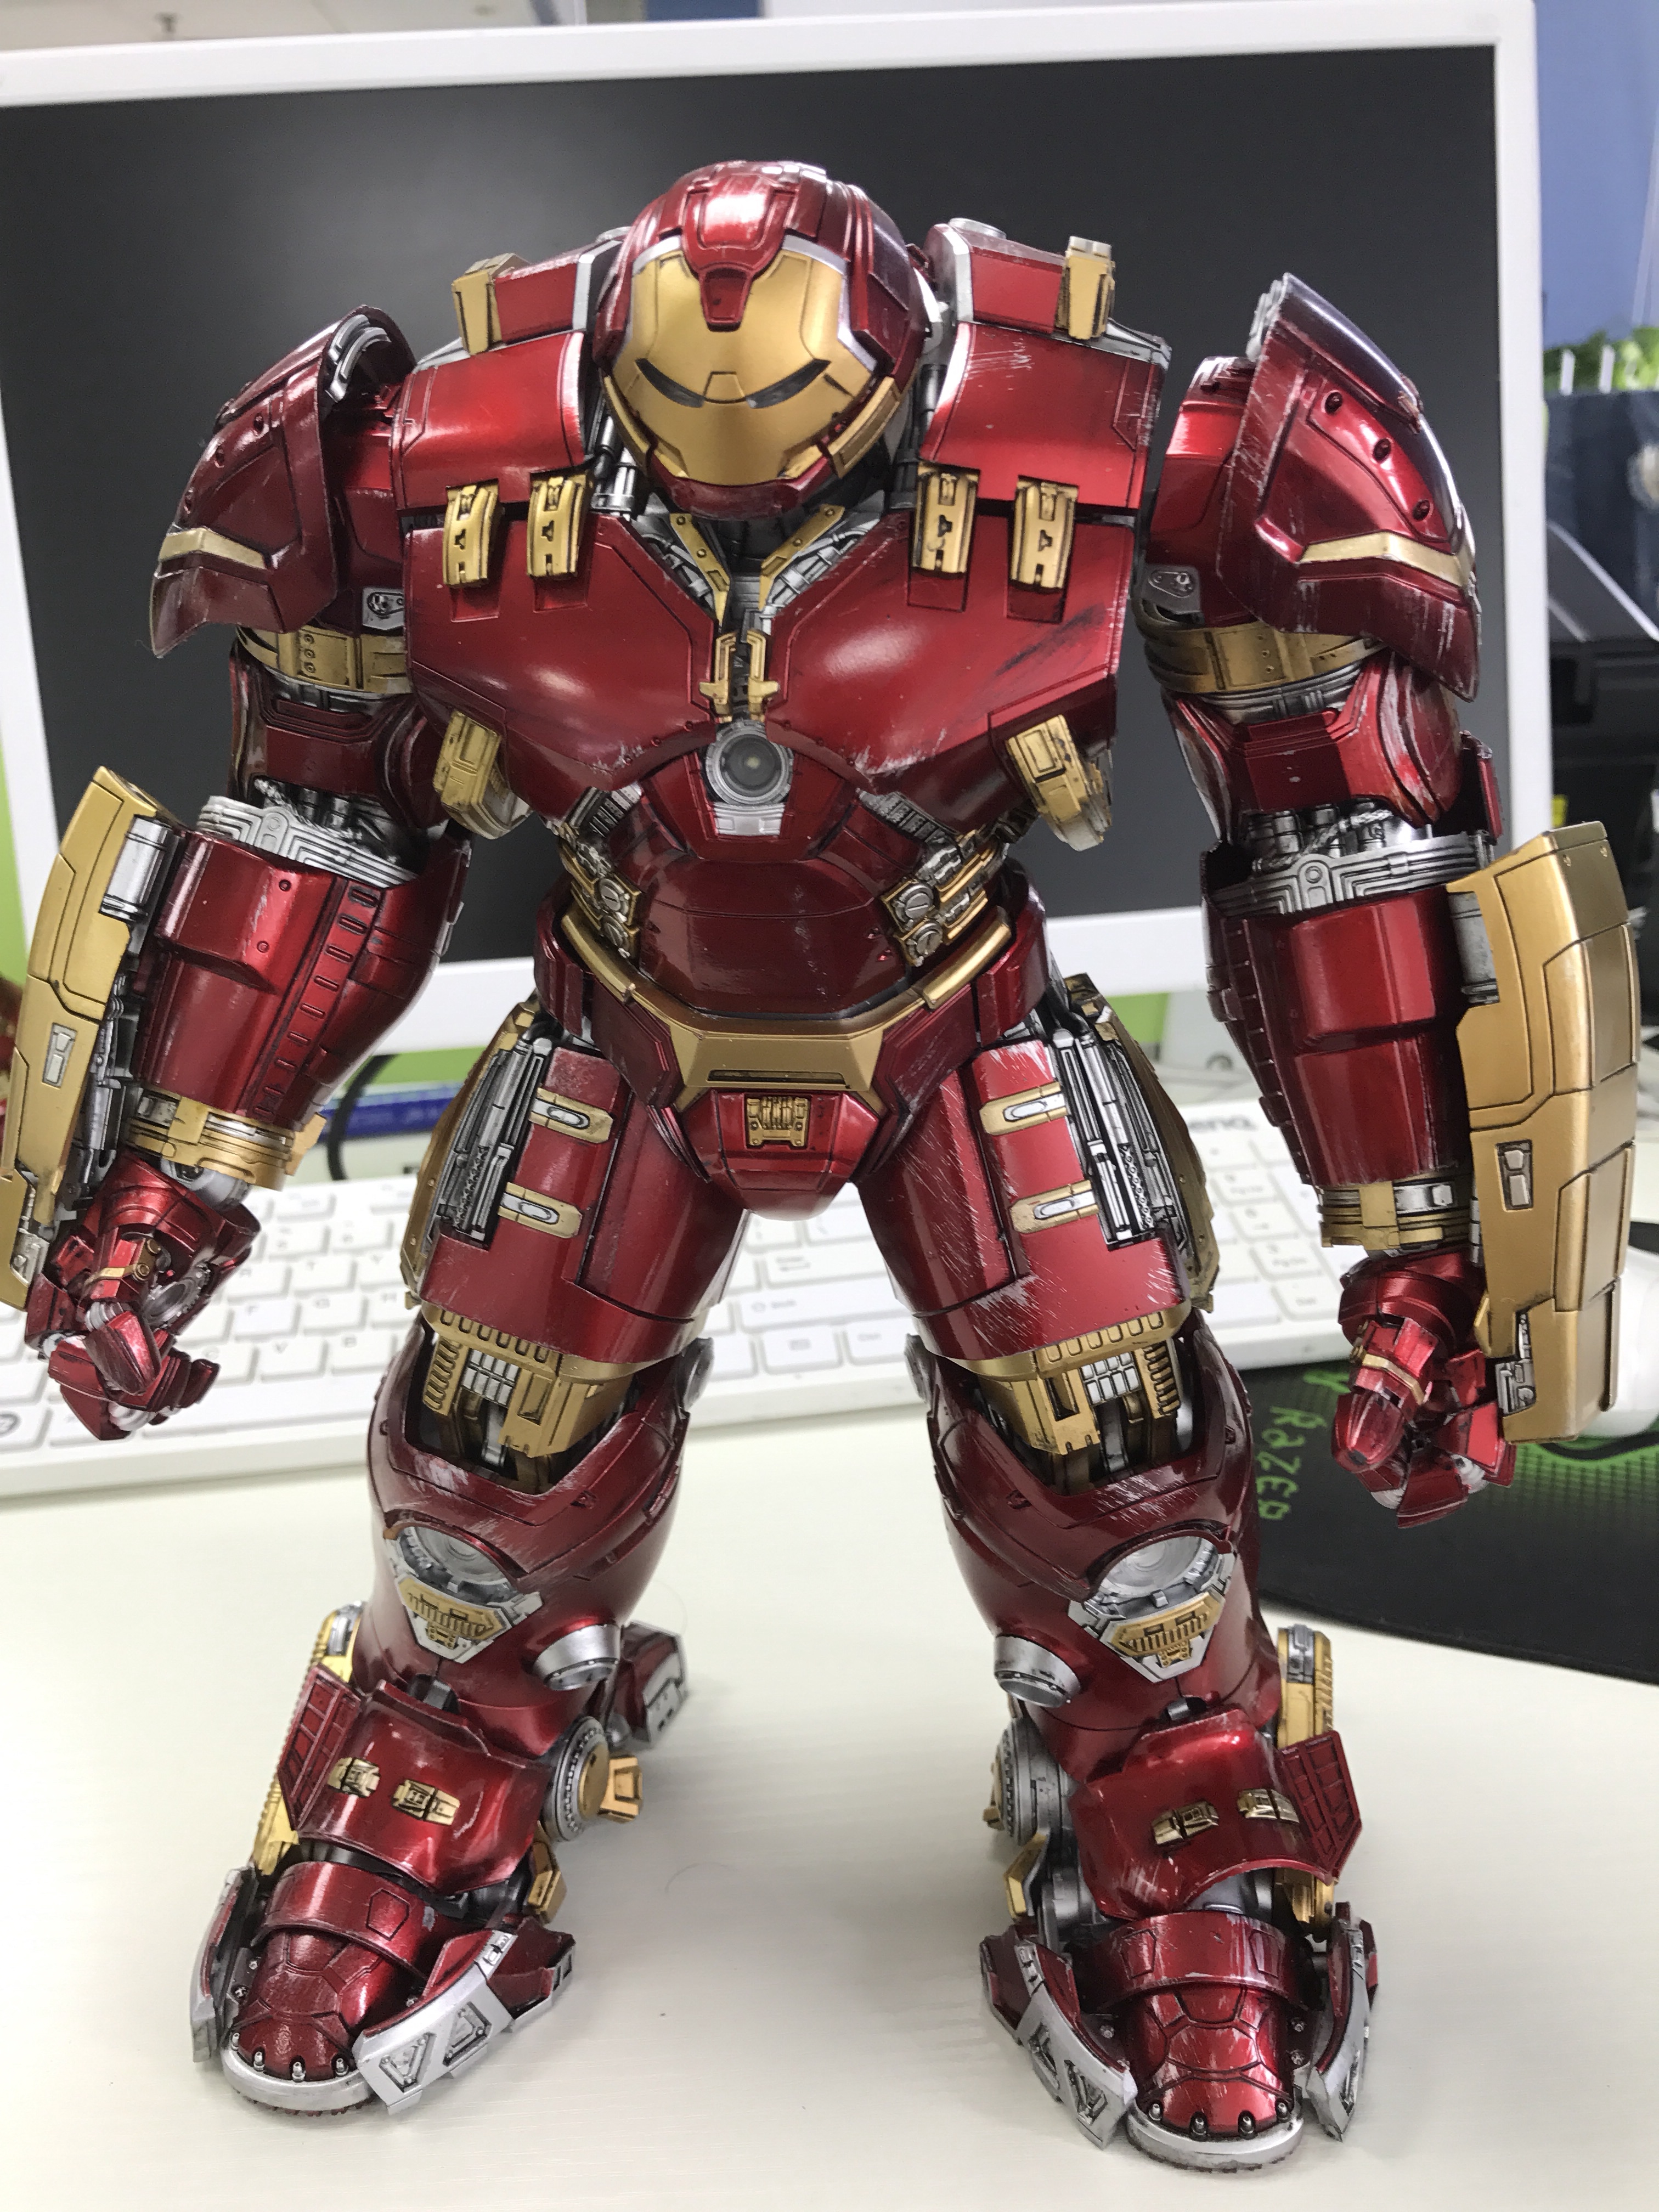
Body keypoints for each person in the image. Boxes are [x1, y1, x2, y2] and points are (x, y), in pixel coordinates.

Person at [6, 161, 1632, 2167]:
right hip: (627, 1013)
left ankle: (1175, 1780)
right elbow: (310, 840)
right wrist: (163, 1194)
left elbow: (1342, 860)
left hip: (957, 1017)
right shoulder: (419, 471)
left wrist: (1423, 1247)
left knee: (1109, 1440)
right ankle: (448, 1736)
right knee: (491, 1431)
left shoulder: (1149, 450)